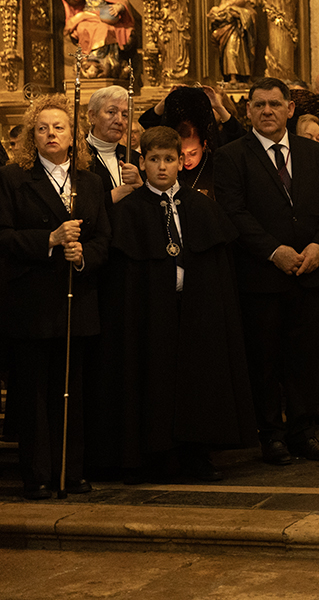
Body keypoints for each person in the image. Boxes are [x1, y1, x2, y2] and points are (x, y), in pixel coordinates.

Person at [103, 127, 256, 482]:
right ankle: (154, 455)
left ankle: (196, 453)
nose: (161, 167)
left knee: (197, 380)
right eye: (154, 160)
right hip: (149, 313)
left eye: (169, 159)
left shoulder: (202, 207)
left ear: (181, 162)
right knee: (151, 379)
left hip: (196, 311)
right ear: (141, 162)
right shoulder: (127, 212)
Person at [214, 77, 319, 465]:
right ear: (247, 111)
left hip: (310, 272)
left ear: (290, 109)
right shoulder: (232, 155)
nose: (266, 111)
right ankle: (271, 435)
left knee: (305, 360)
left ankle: (303, 431)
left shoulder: (312, 153)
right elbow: (233, 212)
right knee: (265, 360)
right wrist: (273, 251)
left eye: (274, 104)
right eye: (258, 105)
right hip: (262, 278)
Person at [0, 96, 111, 499]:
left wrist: (84, 257)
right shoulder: (13, 178)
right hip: (31, 303)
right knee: (33, 395)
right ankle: (39, 475)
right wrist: (47, 240)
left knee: (73, 393)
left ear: (72, 135)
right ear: (32, 135)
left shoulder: (90, 181)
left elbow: (104, 238)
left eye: (59, 127)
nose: (51, 134)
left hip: (76, 300)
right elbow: (3, 235)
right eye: (42, 128)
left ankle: (72, 471)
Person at [45, 0, 134, 60]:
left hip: (102, 17)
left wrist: (119, 7)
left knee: (104, 29)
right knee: (82, 28)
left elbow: (121, 0)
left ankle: (99, 57)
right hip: (87, 16)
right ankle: (86, 57)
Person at [86, 85, 142, 208]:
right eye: (111, 112)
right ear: (92, 116)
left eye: (125, 115)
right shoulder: (76, 156)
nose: (119, 120)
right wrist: (110, 197)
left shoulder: (135, 158)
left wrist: (141, 186)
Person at [207, 0, 256, 83]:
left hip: (236, 31)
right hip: (225, 30)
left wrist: (235, 14)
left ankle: (238, 76)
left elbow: (248, 15)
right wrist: (216, 17)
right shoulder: (224, 0)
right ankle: (229, 76)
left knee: (233, 52)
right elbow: (220, 11)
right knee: (226, 53)